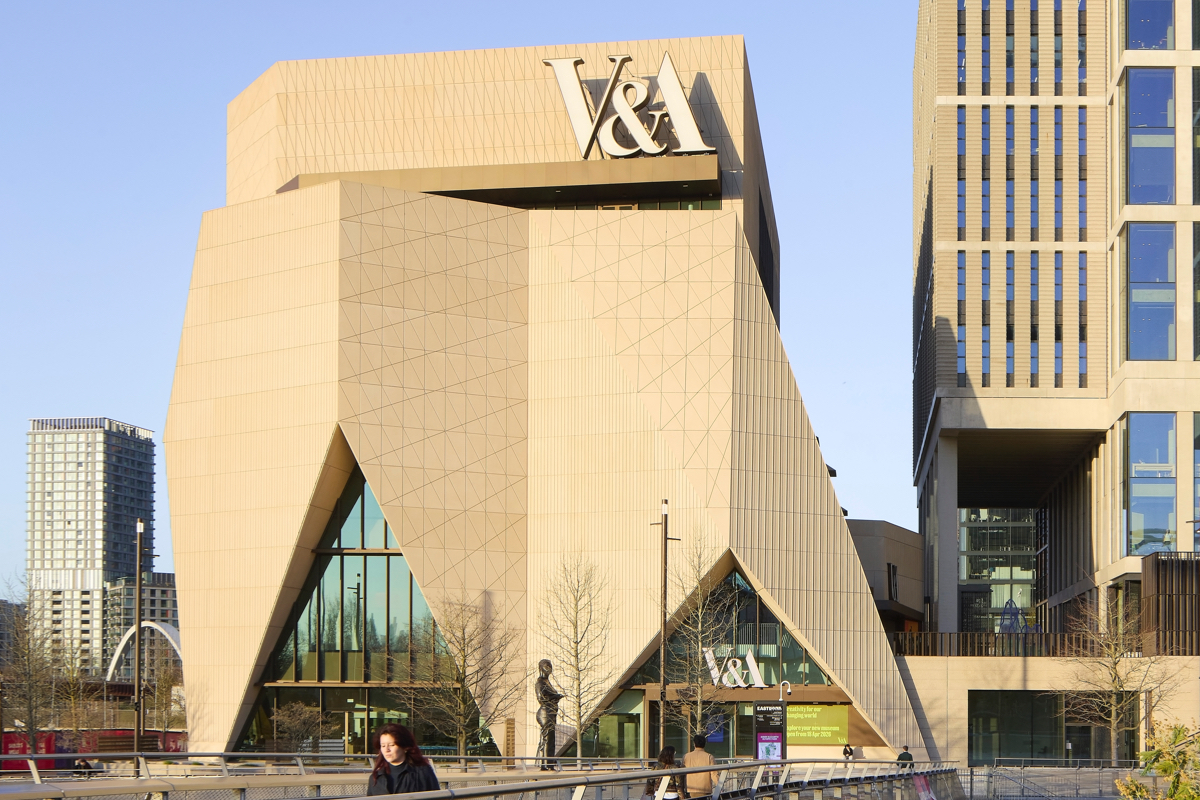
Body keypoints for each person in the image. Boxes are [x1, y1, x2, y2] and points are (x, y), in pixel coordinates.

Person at [367, 723, 440, 795]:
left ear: (405, 747)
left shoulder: (422, 772)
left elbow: (437, 796)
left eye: (392, 745)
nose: (387, 750)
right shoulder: (376, 777)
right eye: (383, 746)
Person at [683, 734, 716, 799]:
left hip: (690, 788)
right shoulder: (709, 757)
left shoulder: (686, 756)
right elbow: (714, 774)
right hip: (704, 789)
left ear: (694, 744)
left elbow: (681, 773)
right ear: (704, 744)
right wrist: (720, 786)